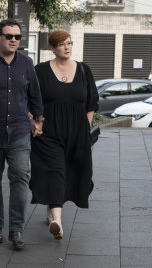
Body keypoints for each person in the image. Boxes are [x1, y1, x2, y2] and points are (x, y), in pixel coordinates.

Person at [0, 19, 44, 250]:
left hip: (20, 132)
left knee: (21, 178)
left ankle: (16, 229)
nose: (14, 40)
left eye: (18, 37)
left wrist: (38, 121)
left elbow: (35, 96)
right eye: (9, 36)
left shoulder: (26, 63)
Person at [30, 30, 99, 240]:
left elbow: (92, 103)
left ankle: (52, 208)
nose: (67, 47)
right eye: (61, 44)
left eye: (69, 43)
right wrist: (34, 122)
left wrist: (85, 129)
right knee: (55, 171)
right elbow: (29, 99)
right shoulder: (40, 71)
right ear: (52, 48)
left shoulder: (84, 70)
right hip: (49, 132)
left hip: (78, 133)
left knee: (72, 172)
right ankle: (57, 221)